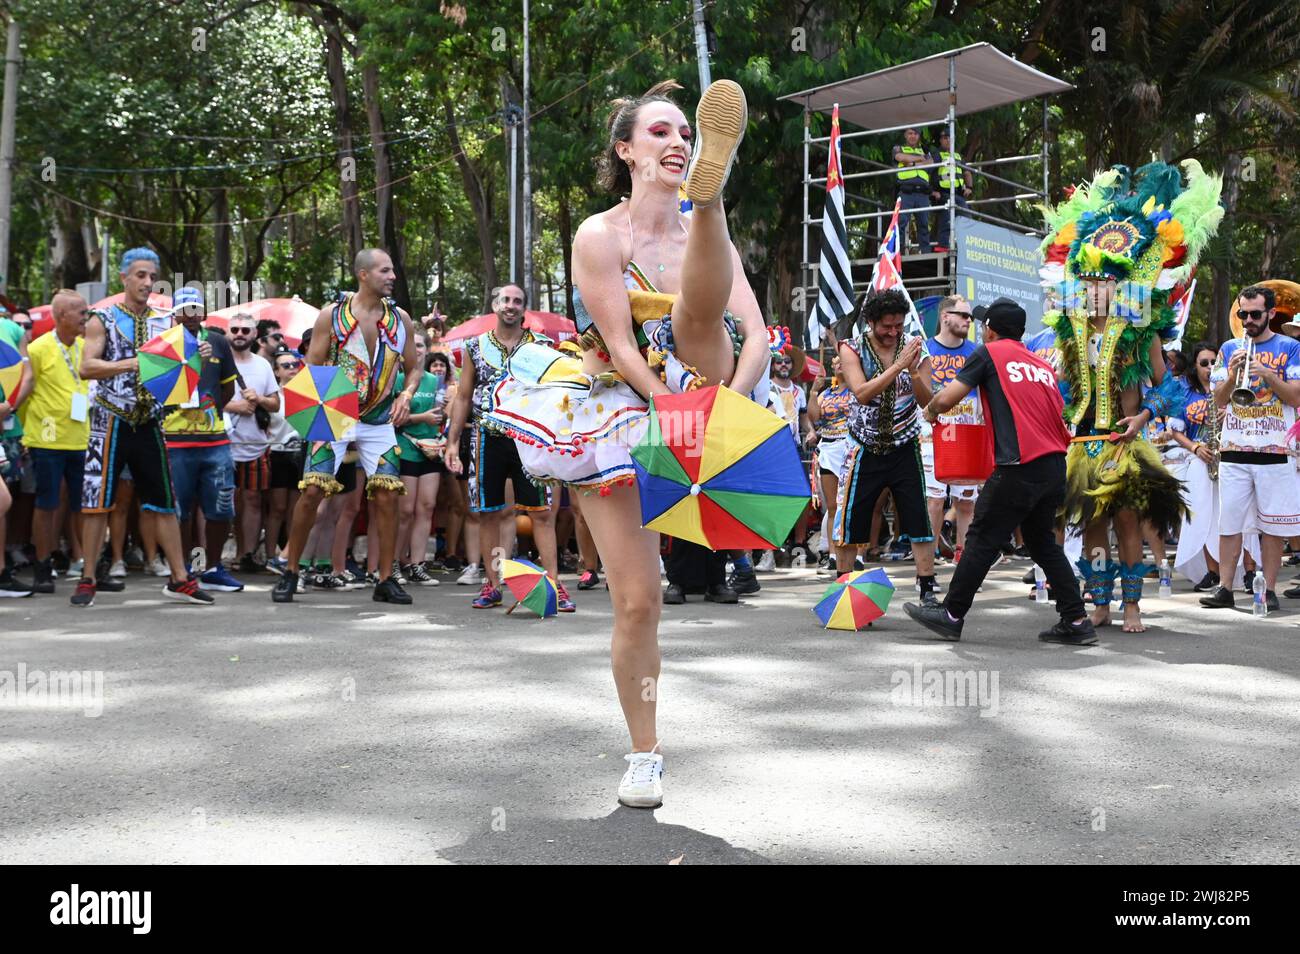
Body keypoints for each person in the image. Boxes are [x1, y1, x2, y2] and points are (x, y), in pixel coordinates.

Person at [476, 79, 770, 808]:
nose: (675, 142)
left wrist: (726, 413)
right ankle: (645, 754)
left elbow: (758, 336)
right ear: (626, 150)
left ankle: (713, 202)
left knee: (700, 324)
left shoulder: (710, 252)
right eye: (661, 133)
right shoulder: (597, 235)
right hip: (621, 405)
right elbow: (617, 343)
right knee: (639, 604)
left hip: (711, 382)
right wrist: (670, 410)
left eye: (686, 135)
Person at [1037, 161, 1222, 632]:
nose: (1098, 287)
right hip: (1080, 442)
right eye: (1091, 279)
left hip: (1123, 438)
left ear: (1121, 282)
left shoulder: (1142, 331)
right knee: (1092, 527)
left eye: (1108, 279)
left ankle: (1133, 605)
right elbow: (1063, 386)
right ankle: (1099, 601)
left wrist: (1143, 419)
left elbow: (1169, 388)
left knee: (1127, 523)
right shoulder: (1068, 330)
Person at [903, 300, 1094, 643]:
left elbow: (947, 399)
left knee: (980, 539)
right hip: (1053, 465)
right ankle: (1077, 620)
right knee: (1042, 543)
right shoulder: (1041, 364)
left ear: (989, 329)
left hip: (1017, 465)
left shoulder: (988, 353)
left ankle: (951, 613)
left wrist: (931, 411)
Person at [271, 249, 417, 604]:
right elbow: (313, 366)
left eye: (392, 270)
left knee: (387, 495)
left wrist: (407, 395)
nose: (392, 276)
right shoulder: (331, 317)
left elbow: (413, 368)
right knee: (312, 492)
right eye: (385, 270)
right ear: (363, 275)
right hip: (333, 414)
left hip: (379, 418)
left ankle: (385, 578)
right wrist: (323, 412)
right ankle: (291, 571)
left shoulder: (401, 321)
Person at [77, 248, 214, 606]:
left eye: (152, 277)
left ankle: (180, 578)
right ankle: (88, 577)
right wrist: (131, 364)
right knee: (96, 502)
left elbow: (177, 372)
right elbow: (87, 367)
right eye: (140, 275)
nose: (147, 283)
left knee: (166, 502)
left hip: (150, 420)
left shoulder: (164, 322)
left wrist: (196, 357)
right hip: (109, 418)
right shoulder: (101, 318)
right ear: (123, 277)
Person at [443, 284, 573, 611]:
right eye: (505, 300)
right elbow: (463, 396)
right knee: (489, 513)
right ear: (494, 304)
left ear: (523, 308)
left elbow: (555, 392)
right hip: (487, 436)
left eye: (517, 301)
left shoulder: (540, 346)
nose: (511, 306)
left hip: (528, 437)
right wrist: (453, 441)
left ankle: (554, 585)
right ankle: (493, 583)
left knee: (542, 513)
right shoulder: (475, 347)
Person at [833, 287, 939, 601]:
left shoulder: (915, 348)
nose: (893, 332)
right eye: (886, 326)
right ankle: (845, 588)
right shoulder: (851, 348)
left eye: (898, 325)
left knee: (918, 516)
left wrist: (914, 372)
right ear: (871, 322)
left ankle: (927, 587)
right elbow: (862, 393)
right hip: (863, 446)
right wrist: (898, 367)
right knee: (851, 518)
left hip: (905, 445)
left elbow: (927, 403)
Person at [1198, 285, 1300, 611]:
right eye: (1243, 314)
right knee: (1229, 523)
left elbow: (1296, 397)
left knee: (1272, 527)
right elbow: (1216, 401)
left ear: (1271, 313)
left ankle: (1268, 589)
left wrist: (1267, 374)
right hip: (1235, 447)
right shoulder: (1230, 347)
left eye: (1255, 314)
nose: (1249, 320)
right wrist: (1230, 376)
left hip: (1275, 450)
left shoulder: (1290, 348)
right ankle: (1225, 588)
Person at [160, 287, 243, 592]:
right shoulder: (162, 345)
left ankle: (212, 566)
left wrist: (212, 411)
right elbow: (155, 388)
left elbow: (228, 388)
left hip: (214, 439)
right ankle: (183, 569)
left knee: (221, 507)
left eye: (197, 308)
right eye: (185, 309)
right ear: (175, 313)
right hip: (175, 440)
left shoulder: (218, 341)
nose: (191, 315)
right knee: (179, 510)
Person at [16, 290, 91, 595]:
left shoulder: (87, 348)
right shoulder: (38, 348)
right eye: (81, 313)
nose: (86, 318)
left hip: (81, 438)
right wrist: (11, 417)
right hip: (47, 439)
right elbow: (25, 385)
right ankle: (43, 566)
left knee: (84, 507)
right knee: (46, 504)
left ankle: (88, 568)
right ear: (62, 316)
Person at [922, 296, 980, 563]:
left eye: (970, 317)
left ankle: (963, 555)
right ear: (945, 317)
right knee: (934, 500)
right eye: (963, 315)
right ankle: (929, 556)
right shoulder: (926, 351)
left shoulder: (977, 352)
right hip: (933, 434)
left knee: (966, 501)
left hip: (967, 435)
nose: (968, 321)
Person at [222, 312, 281, 573]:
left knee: (253, 500)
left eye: (245, 330)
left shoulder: (263, 366)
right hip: (223, 445)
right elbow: (205, 398)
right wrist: (235, 406)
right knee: (225, 501)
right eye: (234, 329)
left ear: (254, 334)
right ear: (227, 333)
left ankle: (246, 554)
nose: (239, 334)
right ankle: (219, 556)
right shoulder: (217, 362)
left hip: (256, 444)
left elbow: (275, 403)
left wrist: (258, 399)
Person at [395, 332, 445, 585]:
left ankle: (417, 565)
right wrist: (420, 418)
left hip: (431, 449)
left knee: (426, 507)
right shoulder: (399, 379)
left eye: (421, 345)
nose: (417, 349)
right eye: (412, 345)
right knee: (405, 510)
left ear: (427, 349)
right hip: (406, 447)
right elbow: (393, 418)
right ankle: (394, 563)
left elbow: (442, 415)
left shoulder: (436, 380)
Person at [807, 353, 855, 572]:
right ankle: (834, 555)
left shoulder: (857, 389)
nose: (838, 365)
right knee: (834, 506)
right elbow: (815, 418)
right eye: (834, 363)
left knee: (852, 504)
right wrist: (814, 391)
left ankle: (858, 554)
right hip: (829, 448)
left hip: (850, 448)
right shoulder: (826, 394)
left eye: (841, 361)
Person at [262, 347, 305, 573]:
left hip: (299, 455)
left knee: (294, 510)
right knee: (277, 508)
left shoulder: (306, 395)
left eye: (294, 365)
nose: (291, 369)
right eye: (285, 366)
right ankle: (270, 555)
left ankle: (289, 557)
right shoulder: (273, 396)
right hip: (277, 454)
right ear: (276, 372)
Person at [929, 129, 973, 253]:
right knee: (946, 218)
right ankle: (942, 246)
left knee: (966, 218)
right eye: (945, 138)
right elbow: (926, 172)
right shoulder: (937, 155)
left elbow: (967, 172)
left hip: (958, 195)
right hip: (942, 193)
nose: (948, 140)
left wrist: (969, 188)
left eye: (950, 137)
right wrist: (931, 192)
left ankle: (965, 247)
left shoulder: (958, 156)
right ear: (940, 140)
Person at [892, 127, 932, 254]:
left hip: (922, 194)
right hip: (906, 192)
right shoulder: (898, 148)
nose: (913, 136)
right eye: (910, 133)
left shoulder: (925, 150)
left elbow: (931, 162)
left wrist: (912, 163)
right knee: (901, 223)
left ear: (919, 136)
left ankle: (925, 253)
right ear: (905, 135)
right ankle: (898, 253)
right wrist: (920, 159)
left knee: (924, 224)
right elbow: (900, 157)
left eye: (915, 133)